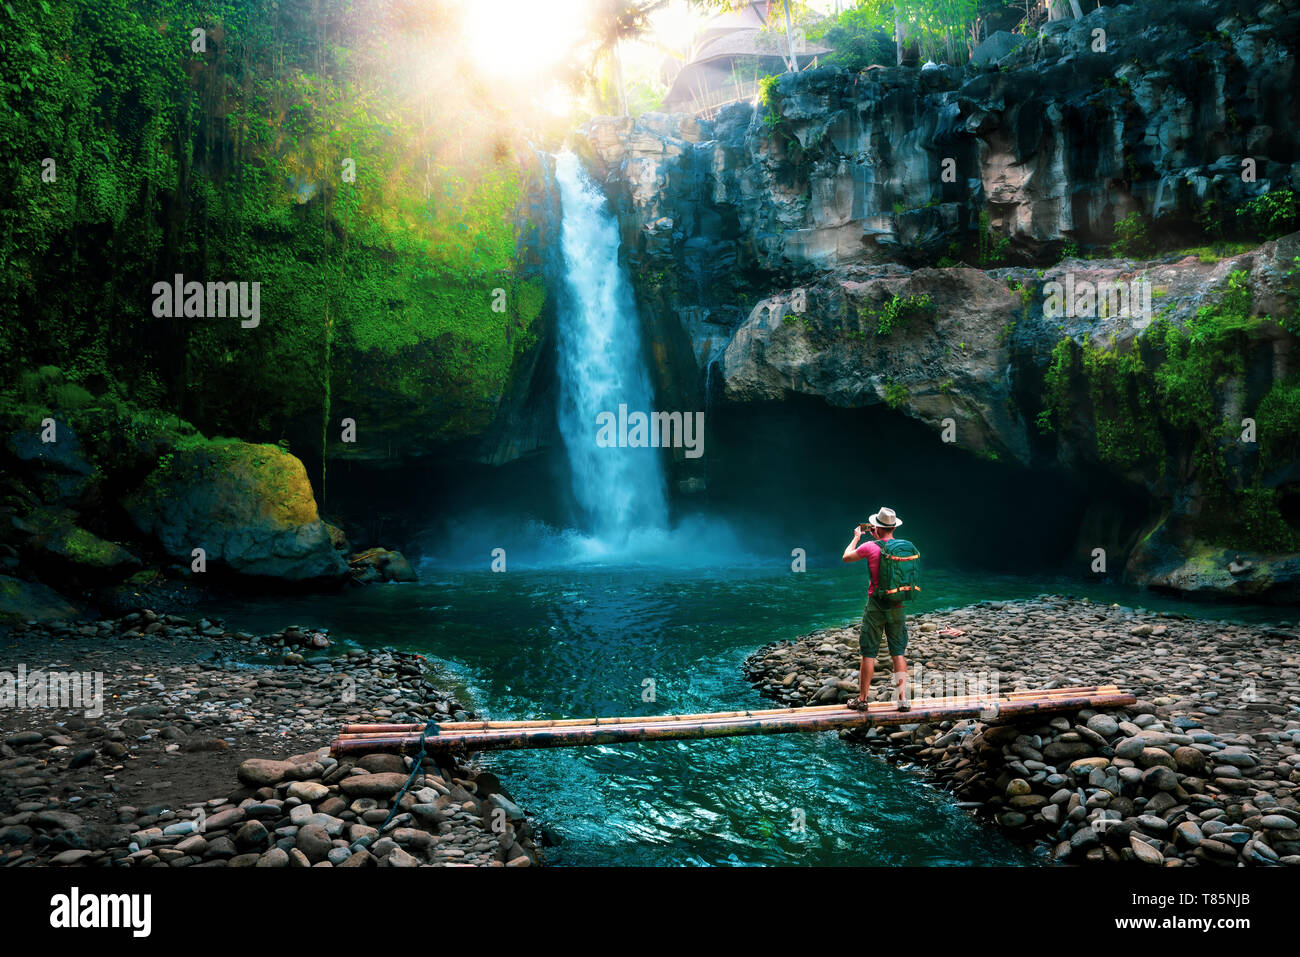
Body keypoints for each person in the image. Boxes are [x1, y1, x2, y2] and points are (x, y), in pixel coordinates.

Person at [840, 506, 911, 711]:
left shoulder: (870, 546)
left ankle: (863, 700)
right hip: (898, 604)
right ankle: (902, 699)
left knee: (869, 654)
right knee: (898, 653)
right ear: (894, 528)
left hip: (876, 606)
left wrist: (856, 537)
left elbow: (846, 557)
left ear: (876, 528)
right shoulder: (904, 548)